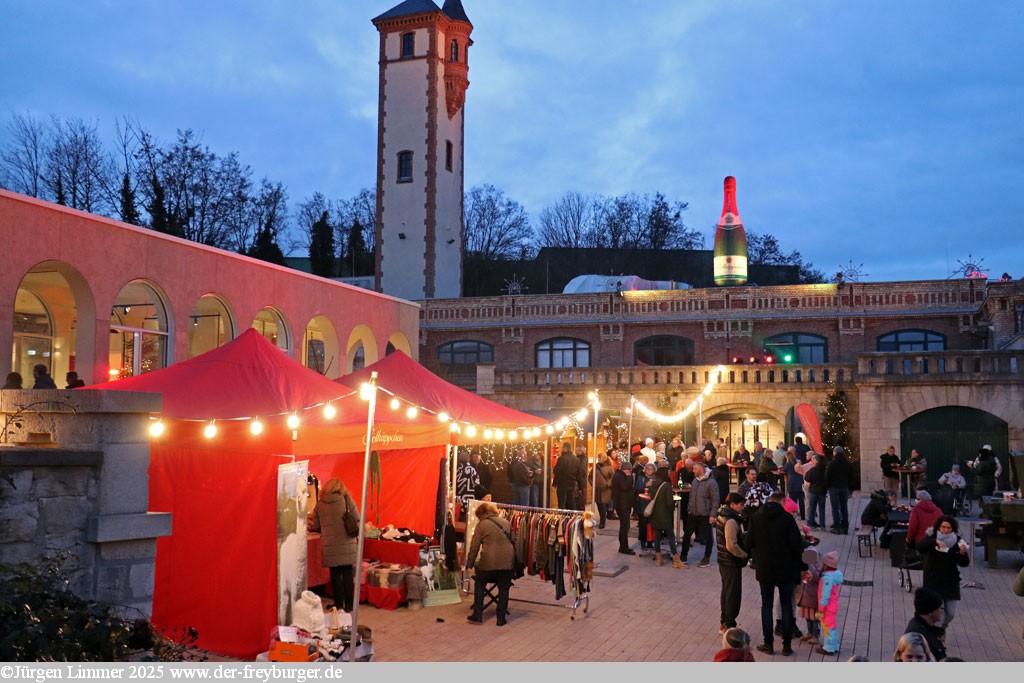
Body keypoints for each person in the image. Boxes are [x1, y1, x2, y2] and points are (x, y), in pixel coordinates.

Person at [747, 491, 804, 657]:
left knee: (766, 606)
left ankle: (768, 644)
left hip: (765, 568)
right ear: (782, 502)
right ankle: (787, 646)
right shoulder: (787, 519)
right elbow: (797, 546)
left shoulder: (756, 517)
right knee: (786, 606)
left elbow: (748, 542)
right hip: (786, 569)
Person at [308, 478, 359, 613]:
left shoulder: (320, 504)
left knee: (335, 574)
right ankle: (349, 604)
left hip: (329, 544)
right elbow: (356, 517)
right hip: (346, 542)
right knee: (347, 573)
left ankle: (338, 604)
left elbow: (316, 525)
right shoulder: (346, 499)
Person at [465, 502, 515, 626]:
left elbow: (474, 547)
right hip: (507, 564)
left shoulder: (481, 525)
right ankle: (501, 618)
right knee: (504, 588)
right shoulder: (506, 522)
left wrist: (469, 564)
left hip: (488, 564)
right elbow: (513, 540)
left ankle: (477, 614)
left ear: (481, 514)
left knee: (480, 583)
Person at [916, 515, 970, 627]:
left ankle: (943, 626)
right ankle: (939, 632)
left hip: (950, 581)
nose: (945, 530)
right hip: (933, 580)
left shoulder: (957, 541)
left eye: (949, 528)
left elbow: (964, 563)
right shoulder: (932, 536)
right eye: (943, 527)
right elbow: (920, 546)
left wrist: (962, 553)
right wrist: (935, 541)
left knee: (950, 613)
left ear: (953, 528)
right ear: (939, 527)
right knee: (937, 612)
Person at [715, 492, 748, 634]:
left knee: (727, 591)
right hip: (730, 562)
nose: (742, 507)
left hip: (723, 560)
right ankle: (728, 624)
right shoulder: (731, 521)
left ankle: (725, 622)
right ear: (733, 504)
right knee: (732, 594)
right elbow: (731, 545)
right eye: (741, 505)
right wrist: (744, 554)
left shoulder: (723, 515)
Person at [680, 461, 719, 568]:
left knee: (708, 537)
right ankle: (683, 556)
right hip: (693, 513)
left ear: (701, 469)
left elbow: (715, 499)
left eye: (695, 469)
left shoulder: (711, 482)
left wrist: (713, 514)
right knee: (687, 535)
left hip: (705, 514)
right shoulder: (695, 481)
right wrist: (689, 509)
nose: (693, 471)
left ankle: (706, 558)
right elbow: (692, 496)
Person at [648, 460, 683, 568]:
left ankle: (659, 559)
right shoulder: (666, 485)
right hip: (665, 514)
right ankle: (676, 560)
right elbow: (669, 502)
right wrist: (672, 507)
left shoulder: (653, 484)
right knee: (671, 536)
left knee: (657, 535)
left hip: (655, 513)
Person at [903, 587, 946, 661]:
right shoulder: (919, 636)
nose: (942, 611)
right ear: (930, 612)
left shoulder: (924, 627)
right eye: (939, 608)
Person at [815, 550, 844, 656]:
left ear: (826, 565)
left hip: (827, 607)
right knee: (832, 626)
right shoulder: (834, 575)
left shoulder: (827, 578)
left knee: (828, 628)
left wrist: (821, 608)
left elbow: (825, 595)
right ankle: (834, 645)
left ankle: (829, 648)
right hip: (832, 606)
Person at [797, 548, 822, 645]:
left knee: (814, 618)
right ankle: (810, 633)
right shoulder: (804, 566)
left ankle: (815, 636)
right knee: (808, 617)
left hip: (813, 598)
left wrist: (810, 566)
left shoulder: (817, 567)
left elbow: (817, 577)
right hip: (806, 597)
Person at [825, 445, 853, 534]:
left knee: (835, 508)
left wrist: (828, 486)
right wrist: (848, 485)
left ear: (835, 453)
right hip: (844, 487)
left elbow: (827, 476)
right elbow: (851, 475)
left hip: (834, 488)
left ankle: (837, 527)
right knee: (844, 507)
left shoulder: (832, 463)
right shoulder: (847, 463)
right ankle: (845, 527)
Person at [799, 452, 828, 530]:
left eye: (814, 459)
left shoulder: (813, 470)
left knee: (812, 508)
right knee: (822, 509)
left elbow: (807, 478)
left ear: (817, 461)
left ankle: (811, 524)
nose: (813, 460)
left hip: (813, 491)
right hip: (822, 491)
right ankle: (822, 525)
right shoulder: (825, 470)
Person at [611, 460, 636, 555]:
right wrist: (629, 477)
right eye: (629, 470)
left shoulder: (620, 475)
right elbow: (625, 487)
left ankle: (623, 546)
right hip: (622, 505)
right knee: (624, 526)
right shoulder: (619, 476)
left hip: (624, 504)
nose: (630, 472)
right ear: (625, 469)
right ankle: (623, 547)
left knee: (625, 526)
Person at [635, 461, 657, 557]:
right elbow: (637, 489)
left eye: (651, 469)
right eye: (648, 469)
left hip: (652, 504)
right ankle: (643, 542)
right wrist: (646, 485)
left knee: (651, 524)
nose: (649, 471)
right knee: (643, 524)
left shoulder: (655, 478)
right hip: (642, 504)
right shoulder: (641, 478)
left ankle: (650, 542)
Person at [553, 443, 580, 510]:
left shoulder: (562, 459)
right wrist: (580, 486)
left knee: (562, 503)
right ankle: (572, 515)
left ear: (565, 448)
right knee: (571, 502)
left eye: (562, 447)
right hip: (572, 483)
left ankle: (563, 516)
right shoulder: (576, 459)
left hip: (562, 484)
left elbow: (556, 470)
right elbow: (579, 473)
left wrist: (555, 481)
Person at [783, 448, 805, 519]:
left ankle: (793, 515)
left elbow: (784, 470)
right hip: (800, 482)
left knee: (793, 501)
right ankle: (803, 516)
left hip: (792, 484)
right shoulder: (798, 462)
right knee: (801, 501)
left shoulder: (788, 464)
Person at [594, 452, 614, 528]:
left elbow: (613, 478)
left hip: (606, 490)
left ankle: (602, 521)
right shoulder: (596, 467)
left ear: (605, 458)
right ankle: (602, 519)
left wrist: (608, 484)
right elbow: (590, 476)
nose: (599, 459)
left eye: (600, 457)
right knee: (599, 505)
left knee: (603, 506)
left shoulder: (609, 467)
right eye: (598, 457)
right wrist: (593, 484)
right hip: (597, 490)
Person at [575, 444, 589, 511]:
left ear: (580, 451)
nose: (575, 451)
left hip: (580, 481)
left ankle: (581, 511)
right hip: (580, 480)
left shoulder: (583, 458)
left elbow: (582, 470)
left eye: (577, 450)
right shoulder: (581, 458)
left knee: (580, 497)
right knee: (578, 497)